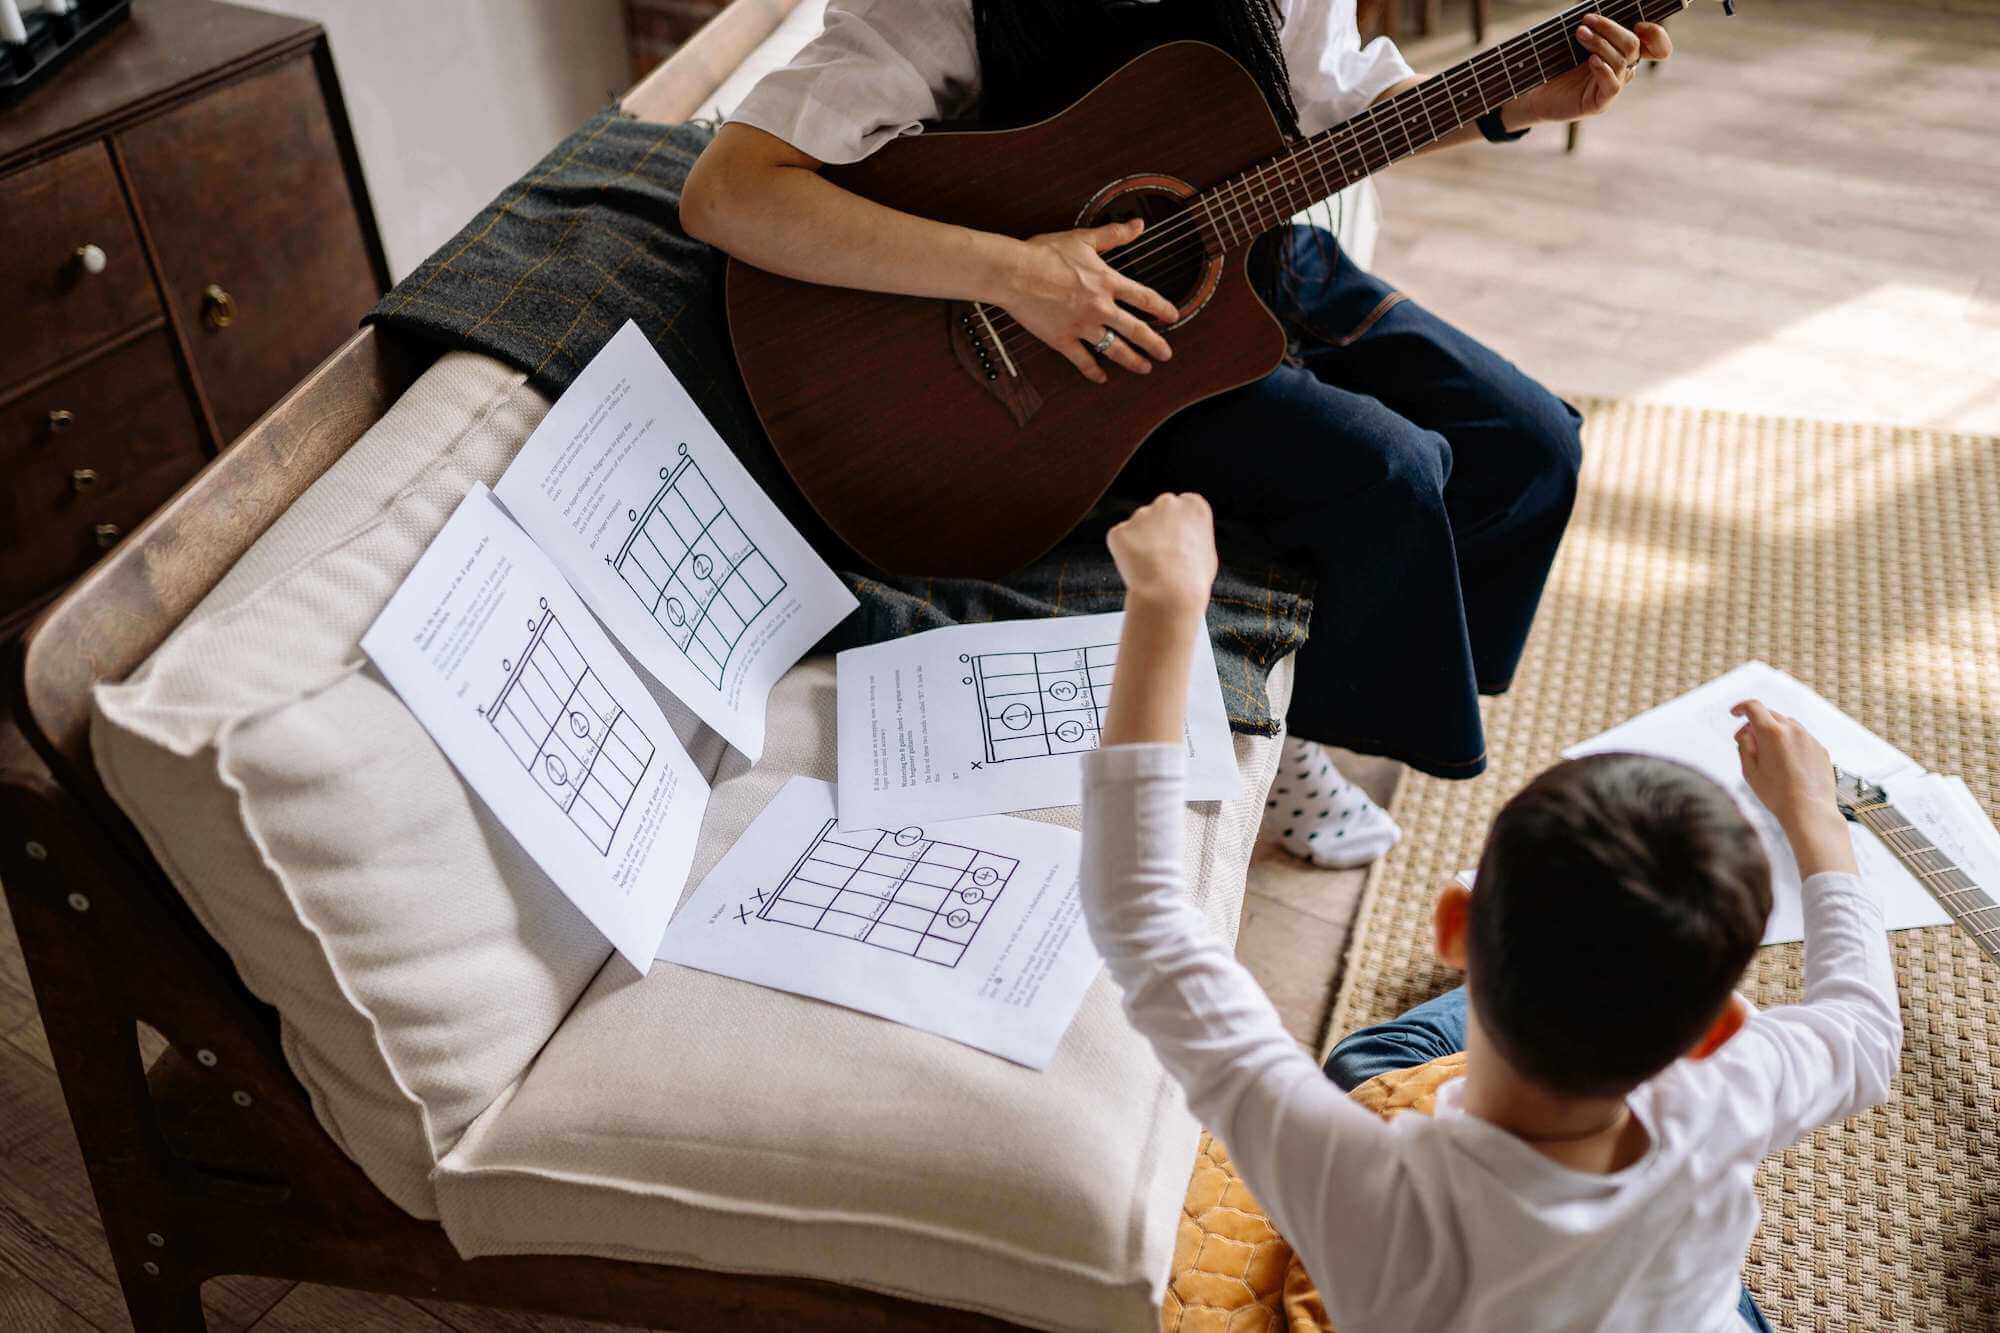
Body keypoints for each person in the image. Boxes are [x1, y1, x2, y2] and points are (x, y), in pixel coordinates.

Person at [682, 1, 1675, 870]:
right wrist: (1013, 274)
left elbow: (1333, 105)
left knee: (1532, 444)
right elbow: (726, 191)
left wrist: (1514, 105)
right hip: (1076, 361)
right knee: (1390, 470)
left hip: (1262, 259)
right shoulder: (946, 7)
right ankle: (1307, 740)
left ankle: (1395, 678)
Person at [1083, 492, 1902, 1332]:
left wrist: (1166, 600)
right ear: (1719, 1031)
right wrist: (1815, 818)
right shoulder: (1731, 1090)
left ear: (1454, 928)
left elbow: (1142, 916)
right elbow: (1864, 1032)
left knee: (1375, 1058)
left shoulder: (1359, 1178)